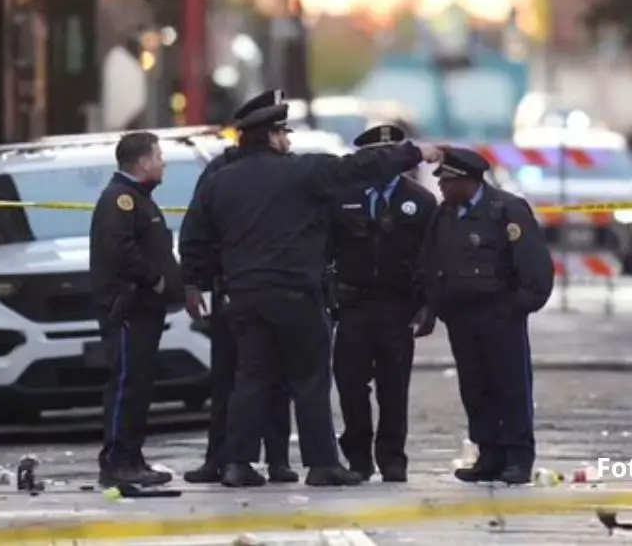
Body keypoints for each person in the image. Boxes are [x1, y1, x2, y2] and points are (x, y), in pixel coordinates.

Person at [179, 90, 443, 488]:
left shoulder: (220, 181)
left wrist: (195, 282)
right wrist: (415, 153)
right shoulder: (302, 172)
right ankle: (322, 464)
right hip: (295, 293)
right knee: (309, 378)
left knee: (251, 378)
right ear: (270, 136)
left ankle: (237, 463)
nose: (288, 140)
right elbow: (359, 167)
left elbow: (196, 235)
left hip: (245, 295)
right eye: (283, 132)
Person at [417, 147, 554, 485]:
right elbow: (431, 261)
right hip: (462, 317)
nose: (443, 189)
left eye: (448, 182)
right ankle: (488, 453)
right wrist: (436, 307)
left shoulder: (506, 210)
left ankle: (517, 456)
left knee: (509, 385)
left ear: (469, 180)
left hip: (500, 315)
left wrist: (518, 306)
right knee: (475, 387)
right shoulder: (444, 215)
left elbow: (534, 265)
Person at [184, 93, 296, 485]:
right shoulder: (219, 171)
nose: (286, 138)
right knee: (227, 379)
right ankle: (220, 457)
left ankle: (278, 458)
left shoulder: (287, 169)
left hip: (261, 288)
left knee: (275, 379)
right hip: (231, 288)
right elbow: (197, 231)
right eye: (280, 130)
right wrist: (195, 281)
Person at [328, 123, 437, 483]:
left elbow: (430, 259)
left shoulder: (419, 201)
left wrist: (427, 306)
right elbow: (325, 250)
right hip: (353, 305)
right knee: (350, 384)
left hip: (397, 306)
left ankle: (392, 457)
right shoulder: (344, 196)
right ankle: (357, 455)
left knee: (394, 387)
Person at [88, 131, 183, 487]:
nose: (163, 163)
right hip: (130, 308)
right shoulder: (121, 200)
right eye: (158, 156)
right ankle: (116, 462)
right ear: (142, 162)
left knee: (139, 385)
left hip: (144, 309)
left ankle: (132, 457)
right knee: (127, 384)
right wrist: (155, 279)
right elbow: (120, 250)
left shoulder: (137, 198)